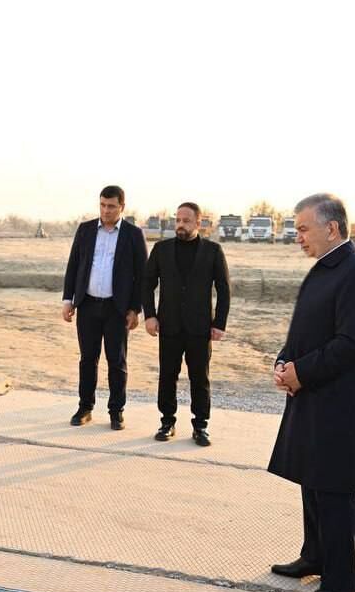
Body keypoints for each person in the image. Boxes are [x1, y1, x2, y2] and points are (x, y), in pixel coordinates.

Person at [268, 193, 355, 592]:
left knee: (333, 492)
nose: (297, 237)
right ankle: (314, 556)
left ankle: (339, 588)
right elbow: (305, 331)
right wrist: (284, 362)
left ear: (331, 228)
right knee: (312, 482)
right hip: (312, 395)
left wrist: (302, 372)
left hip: (338, 405)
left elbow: (352, 343)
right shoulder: (323, 269)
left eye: (303, 229)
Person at [141, 202, 230, 446]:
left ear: (198, 223)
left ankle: (200, 426)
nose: (180, 225)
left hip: (200, 328)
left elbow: (224, 290)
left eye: (186, 221)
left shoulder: (213, 251)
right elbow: (147, 284)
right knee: (167, 376)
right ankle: (167, 422)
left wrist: (219, 323)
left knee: (199, 378)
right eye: (178, 220)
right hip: (168, 326)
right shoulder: (161, 249)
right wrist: (149, 315)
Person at [61, 185, 147, 430]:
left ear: (122, 207)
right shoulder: (86, 230)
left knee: (116, 361)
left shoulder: (133, 234)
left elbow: (142, 275)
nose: (106, 210)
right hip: (87, 305)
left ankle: (116, 411)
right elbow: (74, 265)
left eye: (111, 206)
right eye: (102, 205)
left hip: (116, 309)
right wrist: (68, 299)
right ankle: (85, 408)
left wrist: (135, 309)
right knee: (88, 359)